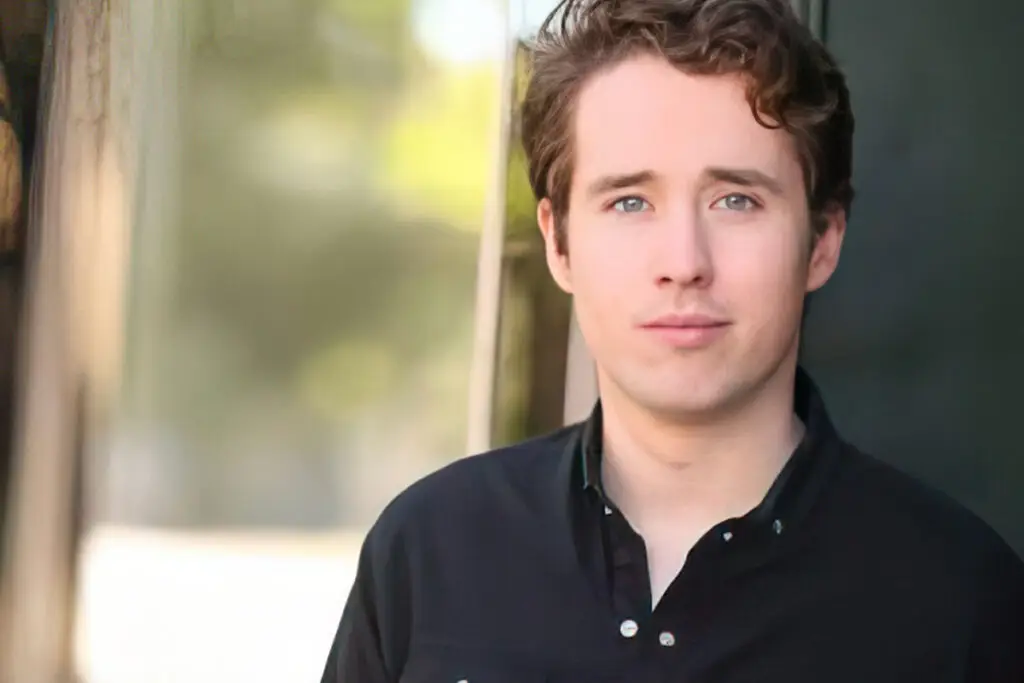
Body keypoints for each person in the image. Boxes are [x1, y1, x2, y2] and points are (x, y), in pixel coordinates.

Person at [320, 0, 1024, 680]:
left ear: (822, 241)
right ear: (558, 242)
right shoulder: (429, 553)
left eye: (736, 199)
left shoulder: (961, 601)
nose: (684, 260)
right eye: (630, 201)